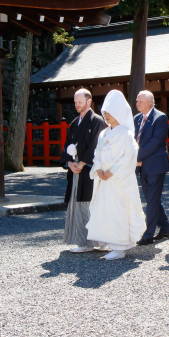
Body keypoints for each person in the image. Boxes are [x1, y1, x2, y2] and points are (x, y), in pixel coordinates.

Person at [85, 90, 147, 260]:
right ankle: (111, 243)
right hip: (105, 180)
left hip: (119, 180)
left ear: (119, 113)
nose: (106, 116)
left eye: (110, 113)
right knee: (105, 210)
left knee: (119, 211)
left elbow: (129, 156)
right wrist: (98, 169)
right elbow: (97, 154)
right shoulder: (103, 134)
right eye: (104, 113)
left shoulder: (126, 133)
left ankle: (120, 245)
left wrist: (111, 171)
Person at [61, 88, 106, 253]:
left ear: (89, 101)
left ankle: (100, 240)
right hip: (76, 170)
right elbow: (67, 144)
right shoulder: (74, 123)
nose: (77, 105)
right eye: (75, 102)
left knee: (91, 204)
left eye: (80, 102)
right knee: (77, 205)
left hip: (89, 170)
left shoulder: (97, 121)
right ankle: (83, 241)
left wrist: (82, 163)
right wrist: (69, 162)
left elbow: (96, 145)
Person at [133, 91, 169, 246]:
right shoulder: (136, 118)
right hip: (142, 165)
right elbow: (134, 140)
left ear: (150, 102)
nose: (137, 104)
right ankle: (165, 228)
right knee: (152, 199)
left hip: (155, 165)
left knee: (151, 200)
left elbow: (155, 142)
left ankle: (148, 234)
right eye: (137, 101)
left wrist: (137, 157)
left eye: (140, 101)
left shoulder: (160, 118)